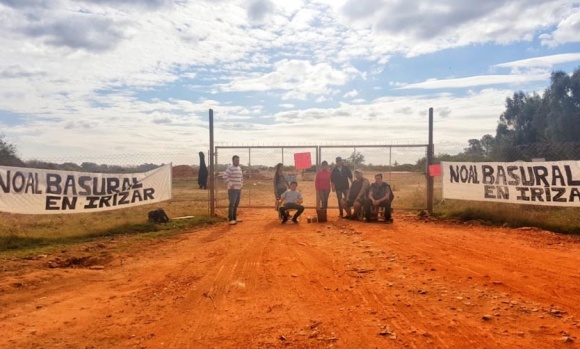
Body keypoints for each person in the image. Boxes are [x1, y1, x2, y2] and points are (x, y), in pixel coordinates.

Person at [223, 155, 243, 225]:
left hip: (238, 189)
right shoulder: (230, 168)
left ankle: (234, 218)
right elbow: (225, 176)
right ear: (233, 160)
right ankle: (230, 219)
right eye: (236, 160)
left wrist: (241, 185)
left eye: (238, 160)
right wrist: (231, 184)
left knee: (236, 204)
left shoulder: (239, 168)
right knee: (232, 204)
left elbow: (241, 178)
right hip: (232, 190)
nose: (237, 161)